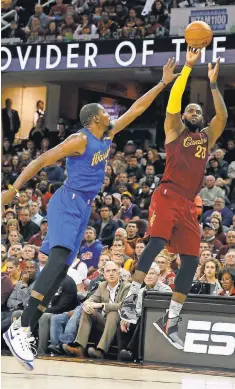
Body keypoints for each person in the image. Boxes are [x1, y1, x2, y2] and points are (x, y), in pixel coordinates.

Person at [2, 58, 179, 369]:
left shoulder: (106, 133)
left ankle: (23, 326)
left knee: (60, 272)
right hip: (67, 201)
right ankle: (22, 327)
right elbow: (41, 160)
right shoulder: (79, 139)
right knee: (56, 261)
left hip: (82, 206)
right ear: (95, 117)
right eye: (105, 112)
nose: (110, 115)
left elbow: (135, 109)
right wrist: (13, 190)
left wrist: (163, 83)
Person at [120, 48, 228, 350]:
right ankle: (133, 296)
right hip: (167, 195)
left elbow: (224, 116)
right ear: (183, 117)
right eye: (190, 111)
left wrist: (214, 84)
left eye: (197, 111)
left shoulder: (207, 137)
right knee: (155, 242)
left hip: (188, 204)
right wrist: (187, 69)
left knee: (192, 259)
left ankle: (171, 319)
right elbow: (172, 104)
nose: (194, 113)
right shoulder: (174, 131)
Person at [62, 261, 130, 359]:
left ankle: (101, 350)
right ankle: (80, 348)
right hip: (103, 321)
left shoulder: (126, 286)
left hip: (120, 323)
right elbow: (92, 298)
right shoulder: (102, 285)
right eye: (108, 271)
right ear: (104, 275)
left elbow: (123, 305)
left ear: (119, 273)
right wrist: (87, 304)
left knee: (113, 314)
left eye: (114, 270)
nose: (111, 273)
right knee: (87, 310)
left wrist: (101, 305)